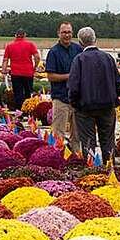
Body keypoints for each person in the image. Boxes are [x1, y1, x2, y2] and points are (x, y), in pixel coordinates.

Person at [68, 27, 120, 161]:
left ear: (80, 42)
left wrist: (75, 103)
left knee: (88, 142)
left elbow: (73, 86)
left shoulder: (79, 59)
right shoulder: (108, 58)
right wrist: (113, 98)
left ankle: (92, 173)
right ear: (95, 39)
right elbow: (118, 83)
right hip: (107, 106)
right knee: (108, 142)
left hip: (85, 108)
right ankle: (110, 171)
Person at [45, 22, 83, 151]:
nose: (67, 35)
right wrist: (70, 76)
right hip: (61, 97)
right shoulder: (53, 52)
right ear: (58, 34)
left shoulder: (78, 49)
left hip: (77, 98)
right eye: (64, 32)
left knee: (77, 134)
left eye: (69, 32)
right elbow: (50, 76)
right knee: (58, 133)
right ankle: (57, 157)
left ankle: (76, 158)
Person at [2, 29, 40, 110]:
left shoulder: (9, 46)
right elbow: (37, 57)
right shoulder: (30, 45)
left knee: (18, 93)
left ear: (15, 35)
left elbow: (5, 60)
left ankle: (19, 112)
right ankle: (28, 110)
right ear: (25, 35)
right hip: (28, 73)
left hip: (15, 73)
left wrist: (4, 71)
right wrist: (35, 67)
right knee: (28, 93)